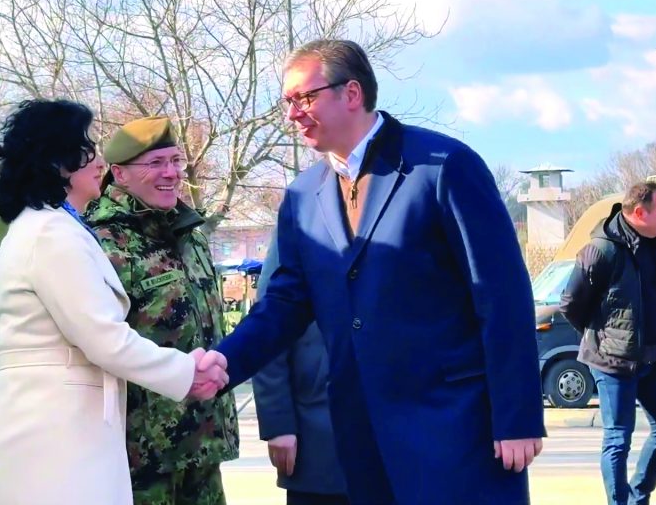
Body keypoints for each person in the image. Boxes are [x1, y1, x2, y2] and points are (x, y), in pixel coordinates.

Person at [209, 39, 546, 505]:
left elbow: (502, 296)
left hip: (456, 430)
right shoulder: (302, 197)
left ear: (351, 93)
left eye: (304, 98)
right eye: (287, 102)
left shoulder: (443, 168)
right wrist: (224, 363)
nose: (292, 114)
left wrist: (518, 417)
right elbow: (283, 304)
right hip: (361, 439)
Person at [0, 100, 228, 504]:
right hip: (54, 436)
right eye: (85, 148)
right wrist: (185, 372)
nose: (98, 160)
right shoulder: (50, 234)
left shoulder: (55, 228)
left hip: (62, 429)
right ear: (57, 162)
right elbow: (104, 339)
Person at [85, 116, 240, 505]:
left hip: (203, 441)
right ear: (119, 173)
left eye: (175, 160)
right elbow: (99, 343)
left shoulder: (192, 238)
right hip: (141, 454)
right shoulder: (99, 243)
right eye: (155, 163)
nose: (171, 173)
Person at [558, 181, 656, 505]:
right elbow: (571, 304)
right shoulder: (602, 250)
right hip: (612, 362)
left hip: (655, 360)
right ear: (640, 213)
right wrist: (601, 338)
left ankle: (638, 496)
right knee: (618, 440)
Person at [252, 236, 348, 505]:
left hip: (394, 430)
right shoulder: (300, 221)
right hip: (318, 430)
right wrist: (278, 422)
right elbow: (270, 324)